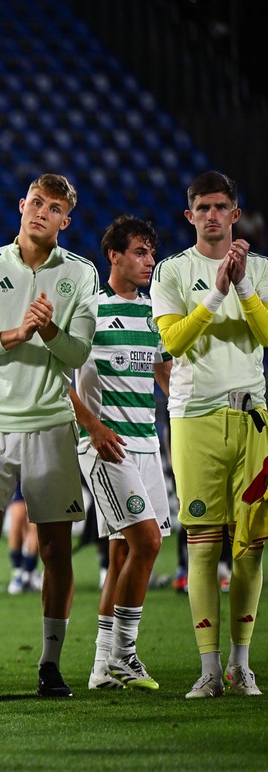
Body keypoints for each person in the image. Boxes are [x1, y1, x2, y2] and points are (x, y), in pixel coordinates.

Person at [0, 174, 97, 700]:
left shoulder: (80, 273)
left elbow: (78, 354)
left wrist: (49, 332)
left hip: (50, 423)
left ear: (66, 219)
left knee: (56, 549)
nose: (42, 212)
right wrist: (15, 334)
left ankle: (50, 662)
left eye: (54, 207)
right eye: (36, 202)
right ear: (21, 205)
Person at [151, 171, 267, 698]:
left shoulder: (261, 270)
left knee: (250, 548)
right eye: (203, 207)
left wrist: (242, 285)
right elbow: (174, 342)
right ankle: (208, 669)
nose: (212, 215)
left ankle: (241, 666)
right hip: (194, 418)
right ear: (189, 215)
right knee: (201, 546)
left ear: (235, 214)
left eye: (221, 207)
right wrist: (218, 293)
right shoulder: (173, 271)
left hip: (253, 419)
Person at [73, 215, 172, 691]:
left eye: (151, 253)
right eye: (139, 252)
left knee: (121, 554)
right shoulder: (89, 311)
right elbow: (58, 380)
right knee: (147, 544)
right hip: (108, 448)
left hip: (148, 444)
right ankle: (125, 654)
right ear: (114, 256)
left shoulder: (154, 313)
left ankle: (100, 667)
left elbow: (165, 375)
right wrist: (92, 428)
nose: (149, 261)